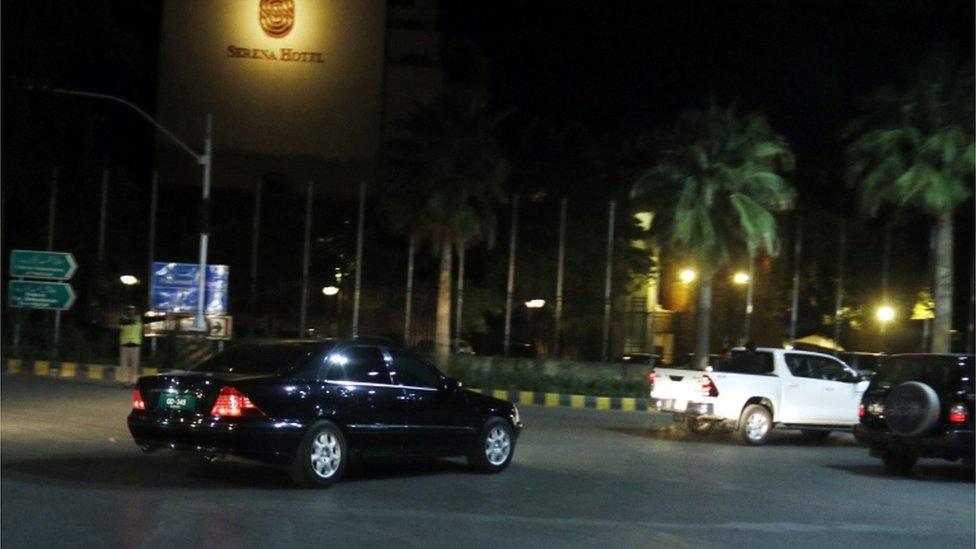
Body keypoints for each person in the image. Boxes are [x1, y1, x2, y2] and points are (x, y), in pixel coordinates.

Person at [119, 305, 143, 386]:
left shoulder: (138, 319)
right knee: (124, 364)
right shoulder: (123, 319)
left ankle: (133, 381)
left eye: (132, 310)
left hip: (135, 344)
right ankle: (124, 380)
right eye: (129, 310)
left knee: (134, 364)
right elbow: (124, 322)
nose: (131, 311)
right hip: (125, 343)